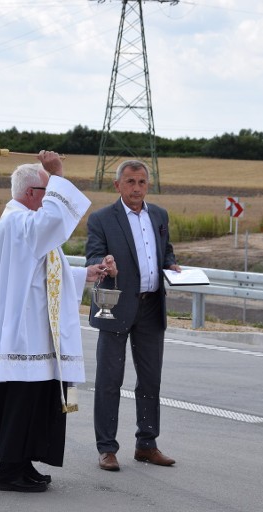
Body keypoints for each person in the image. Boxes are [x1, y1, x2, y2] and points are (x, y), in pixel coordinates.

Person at [0, 150, 117, 493]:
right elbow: (53, 223)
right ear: (30, 194)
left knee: (37, 400)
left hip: (37, 331)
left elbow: (46, 272)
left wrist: (86, 273)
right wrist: (57, 174)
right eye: (46, 192)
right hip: (24, 333)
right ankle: (8, 470)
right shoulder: (17, 222)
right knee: (21, 401)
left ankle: (23, 462)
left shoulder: (25, 226)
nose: (49, 198)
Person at [86, 159, 181, 472]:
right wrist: (105, 263)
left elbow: (165, 252)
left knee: (150, 379)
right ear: (117, 185)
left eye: (141, 182)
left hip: (152, 306)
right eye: (130, 182)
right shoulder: (101, 219)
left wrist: (172, 266)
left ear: (148, 185)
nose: (137, 188)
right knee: (110, 380)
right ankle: (107, 448)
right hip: (114, 305)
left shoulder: (159, 215)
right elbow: (94, 255)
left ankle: (147, 444)